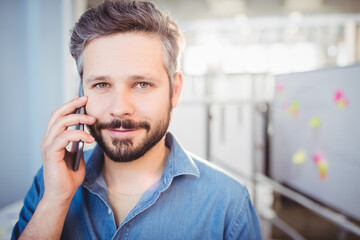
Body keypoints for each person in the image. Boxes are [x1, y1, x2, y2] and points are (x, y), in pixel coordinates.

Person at [12, 0, 262, 239]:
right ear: (81, 94)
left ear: (174, 91)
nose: (120, 109)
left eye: (142, 84)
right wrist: (56, 199)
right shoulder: (49, 184)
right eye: (101, 84)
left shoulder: (229, 204)